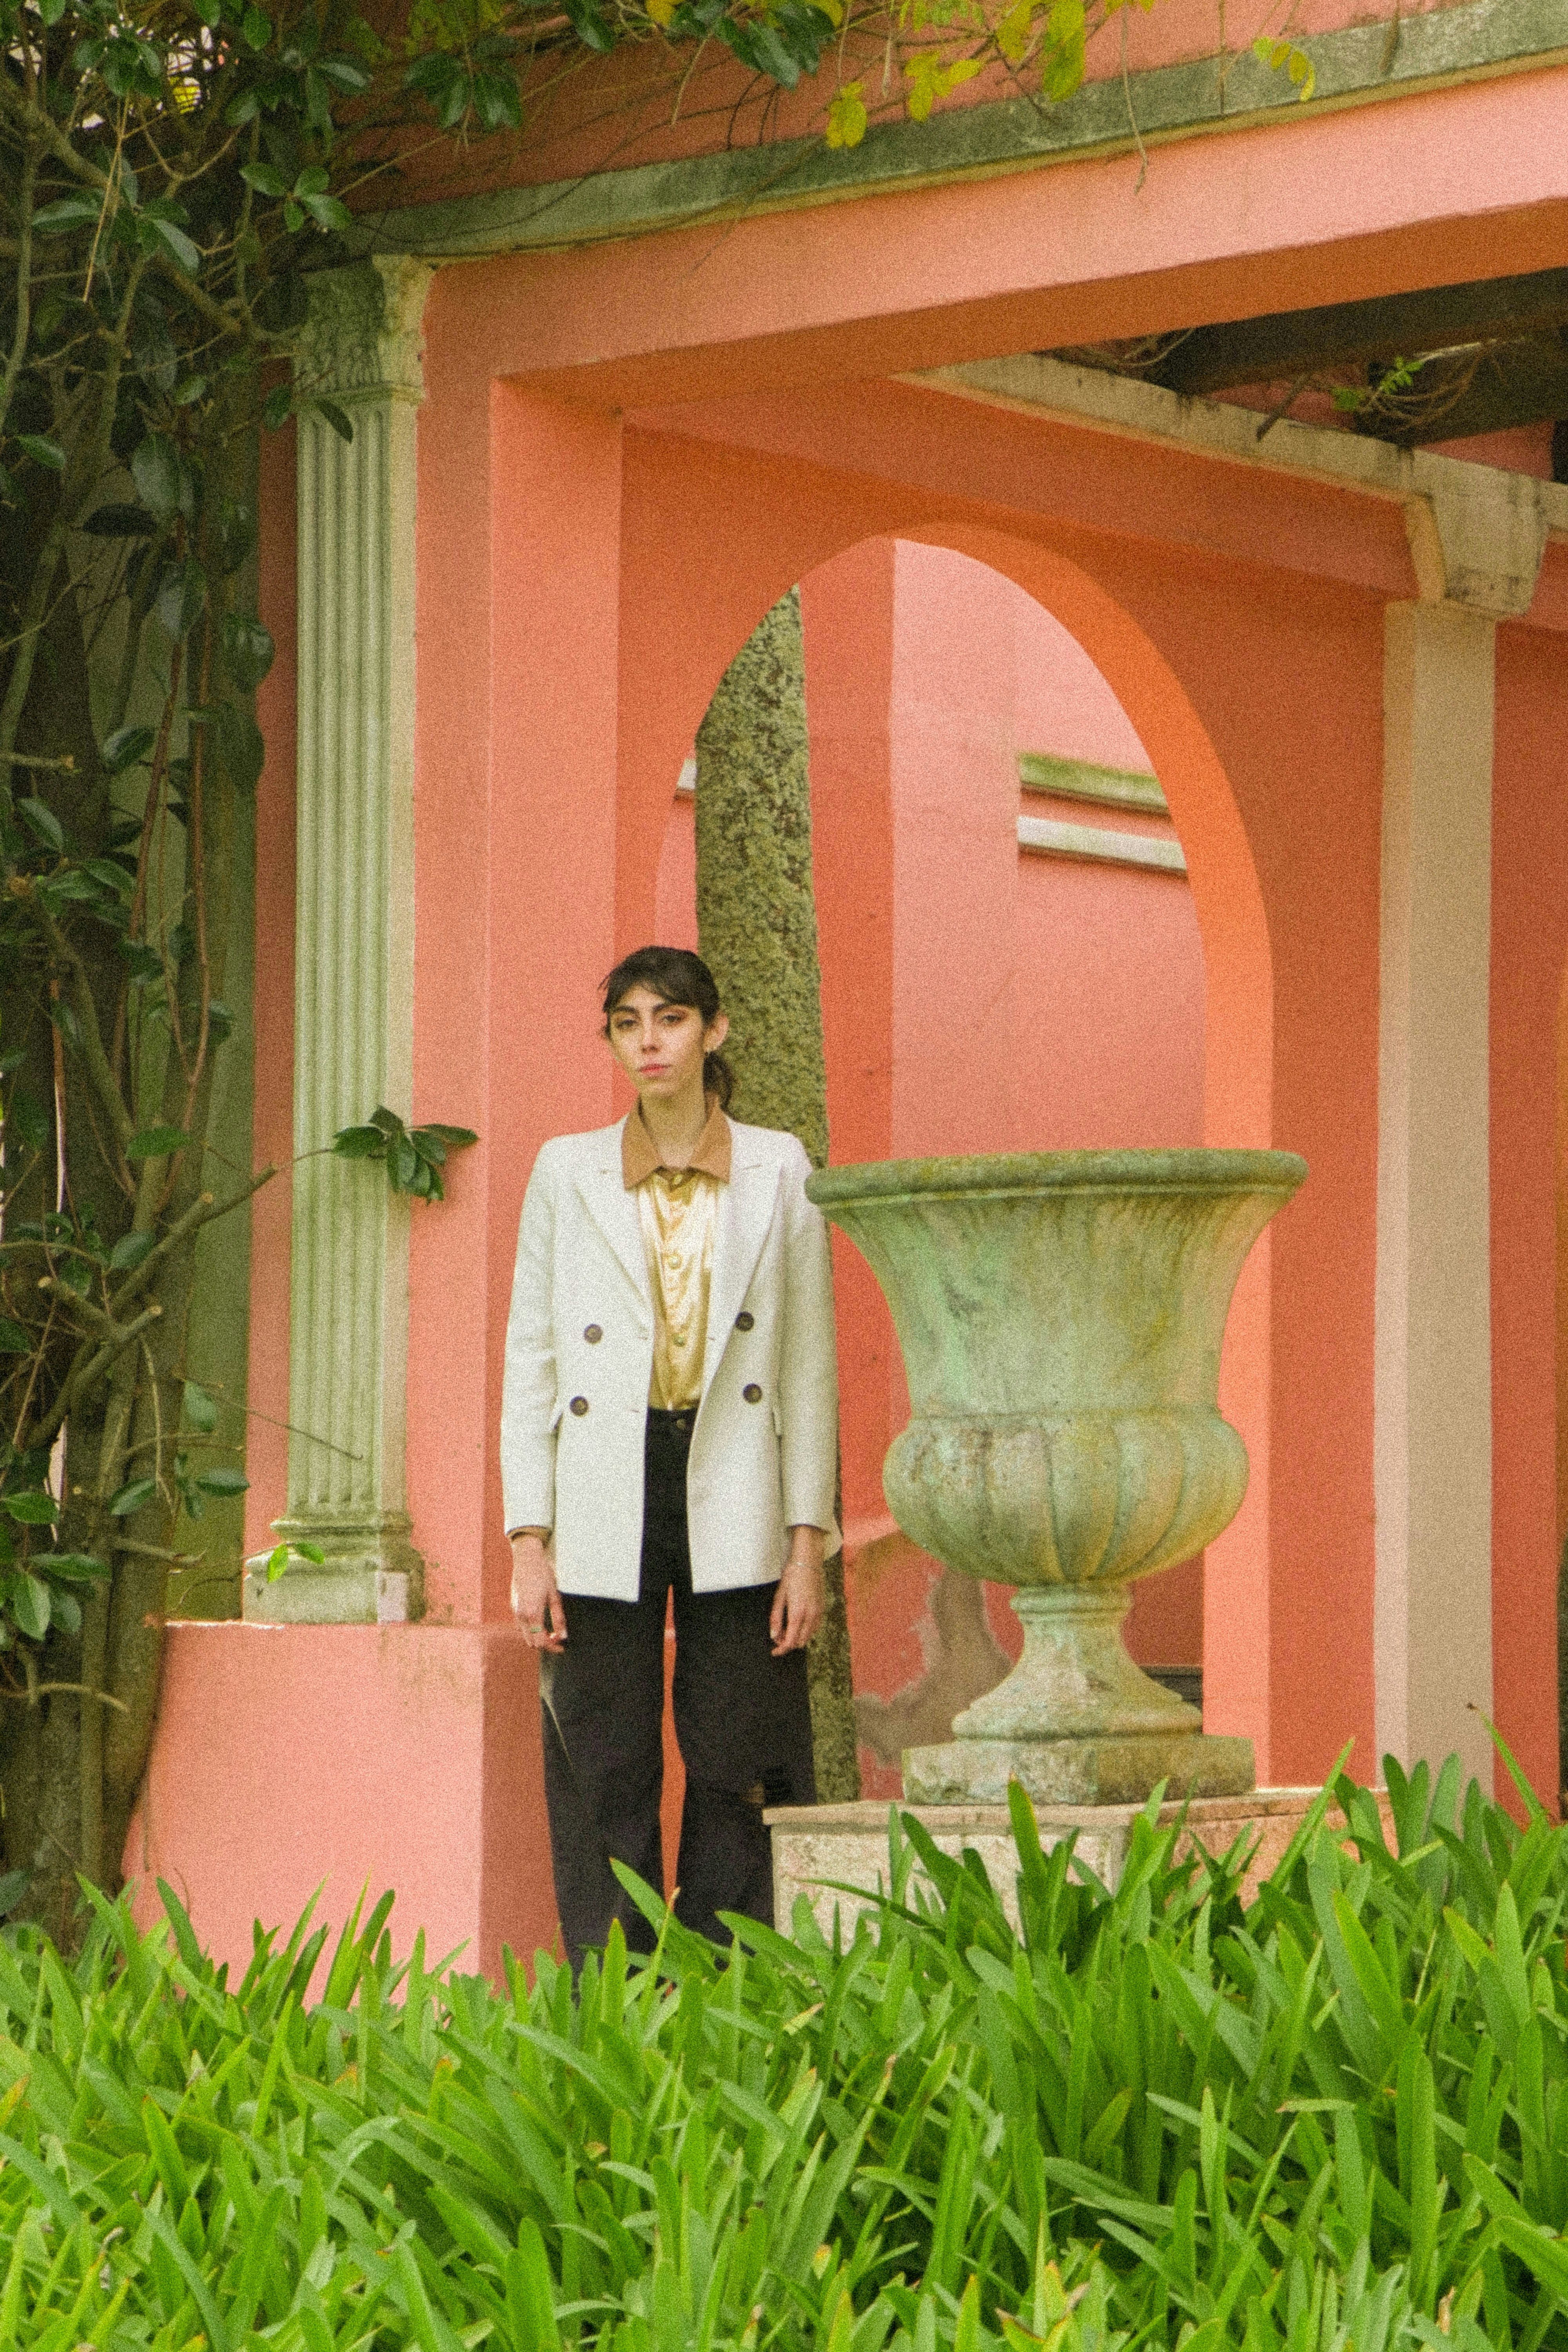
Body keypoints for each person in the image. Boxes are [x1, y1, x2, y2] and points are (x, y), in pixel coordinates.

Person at [501, 945, 838, 1965]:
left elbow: (809, 1364)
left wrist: (807, 1542)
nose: (649, 1041)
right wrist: (528, 1536)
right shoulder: (566, 1170)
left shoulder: (781, 1167)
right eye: (627, 1023)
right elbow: (534, 1354)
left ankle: (731, 1980)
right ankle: (616, 1995)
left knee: (741, 1751)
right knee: (603, 1752)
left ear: (715, 1030)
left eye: (671, 1019)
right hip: (606, 1482)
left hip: (735, 1475)